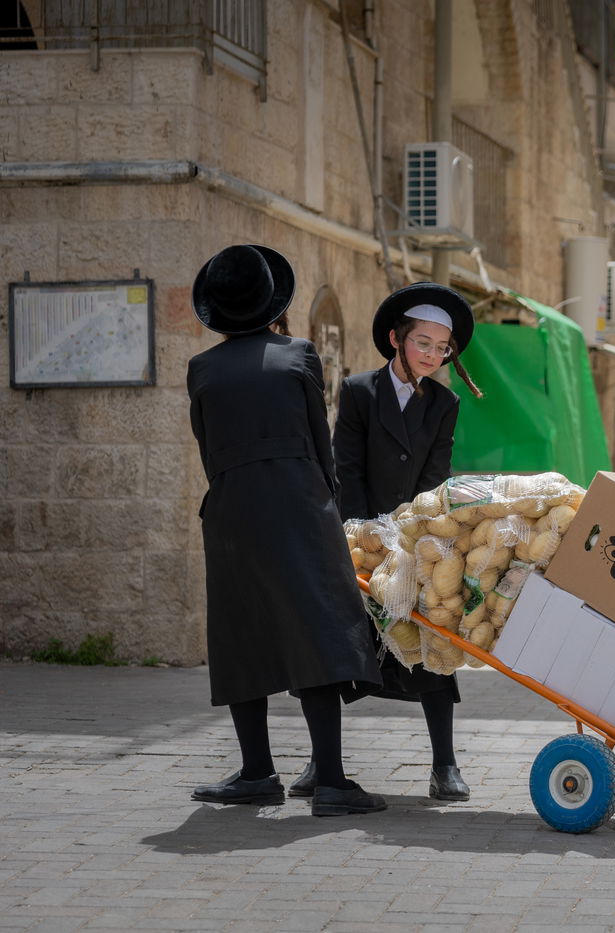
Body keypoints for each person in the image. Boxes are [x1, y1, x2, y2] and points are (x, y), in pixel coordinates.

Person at [186, 244, 386, 818]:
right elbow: (320, 446)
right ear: (272, 301)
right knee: (317, 630)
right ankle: (331, 782)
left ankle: (256, 772)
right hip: (299, 505)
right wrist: (325, 504)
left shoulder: (201, 369)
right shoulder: (298, 355)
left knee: (239, 634)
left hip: (231, 511)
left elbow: (209, 450)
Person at [288, 282, 482, 802]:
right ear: (396, 338)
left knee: (431, 645)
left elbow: (436, 477)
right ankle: (319, 763)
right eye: (423, 342)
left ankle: (445, 764)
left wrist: (414, 533)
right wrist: (358, 534)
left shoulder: (445, 403)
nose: (433, 355)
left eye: (443, 348)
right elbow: (343, 468)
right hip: (357, 539)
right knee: (331, 647)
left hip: (414, 539)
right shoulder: (358, 391)